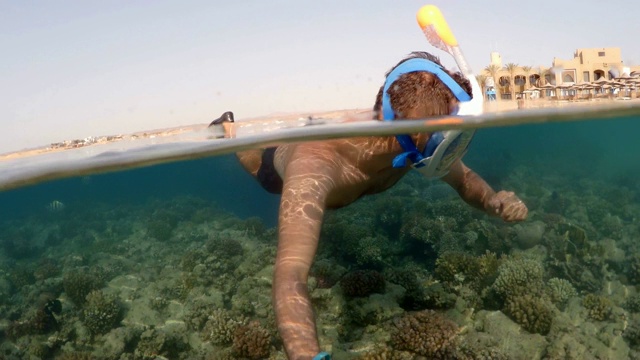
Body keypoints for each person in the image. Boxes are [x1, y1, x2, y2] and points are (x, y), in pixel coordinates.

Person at [210, 51, 528, 360]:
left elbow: (463, 179)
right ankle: (229, 132)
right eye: (443, 138)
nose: (449, 147)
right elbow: (290, 271)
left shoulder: (417, 146)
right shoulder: (315, 165)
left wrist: (492, 200)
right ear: (413, 131)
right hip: (284, 164)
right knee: (261, 173)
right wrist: (306, 354)